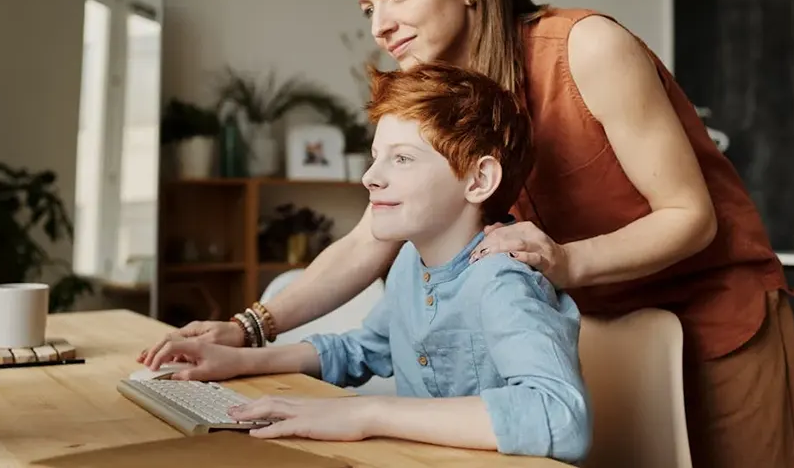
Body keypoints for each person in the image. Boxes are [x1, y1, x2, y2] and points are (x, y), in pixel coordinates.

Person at [140, 0, 794, 467]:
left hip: (717, 316)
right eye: (367, 7)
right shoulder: (439, 97)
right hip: (594, 324)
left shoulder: (587, 47)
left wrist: (567, 260)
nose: (380, 24)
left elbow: (690, 214)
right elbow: (368, 238)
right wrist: (246, 327)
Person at [142, 64, 591, 462]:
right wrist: (238, 360)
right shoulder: (410, 264)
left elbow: (560, 416)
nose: (370, 176)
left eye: (401, 158)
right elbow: (364, 349)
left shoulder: (503, 279)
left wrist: (366, 413)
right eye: (377, 156)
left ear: (478, 179)